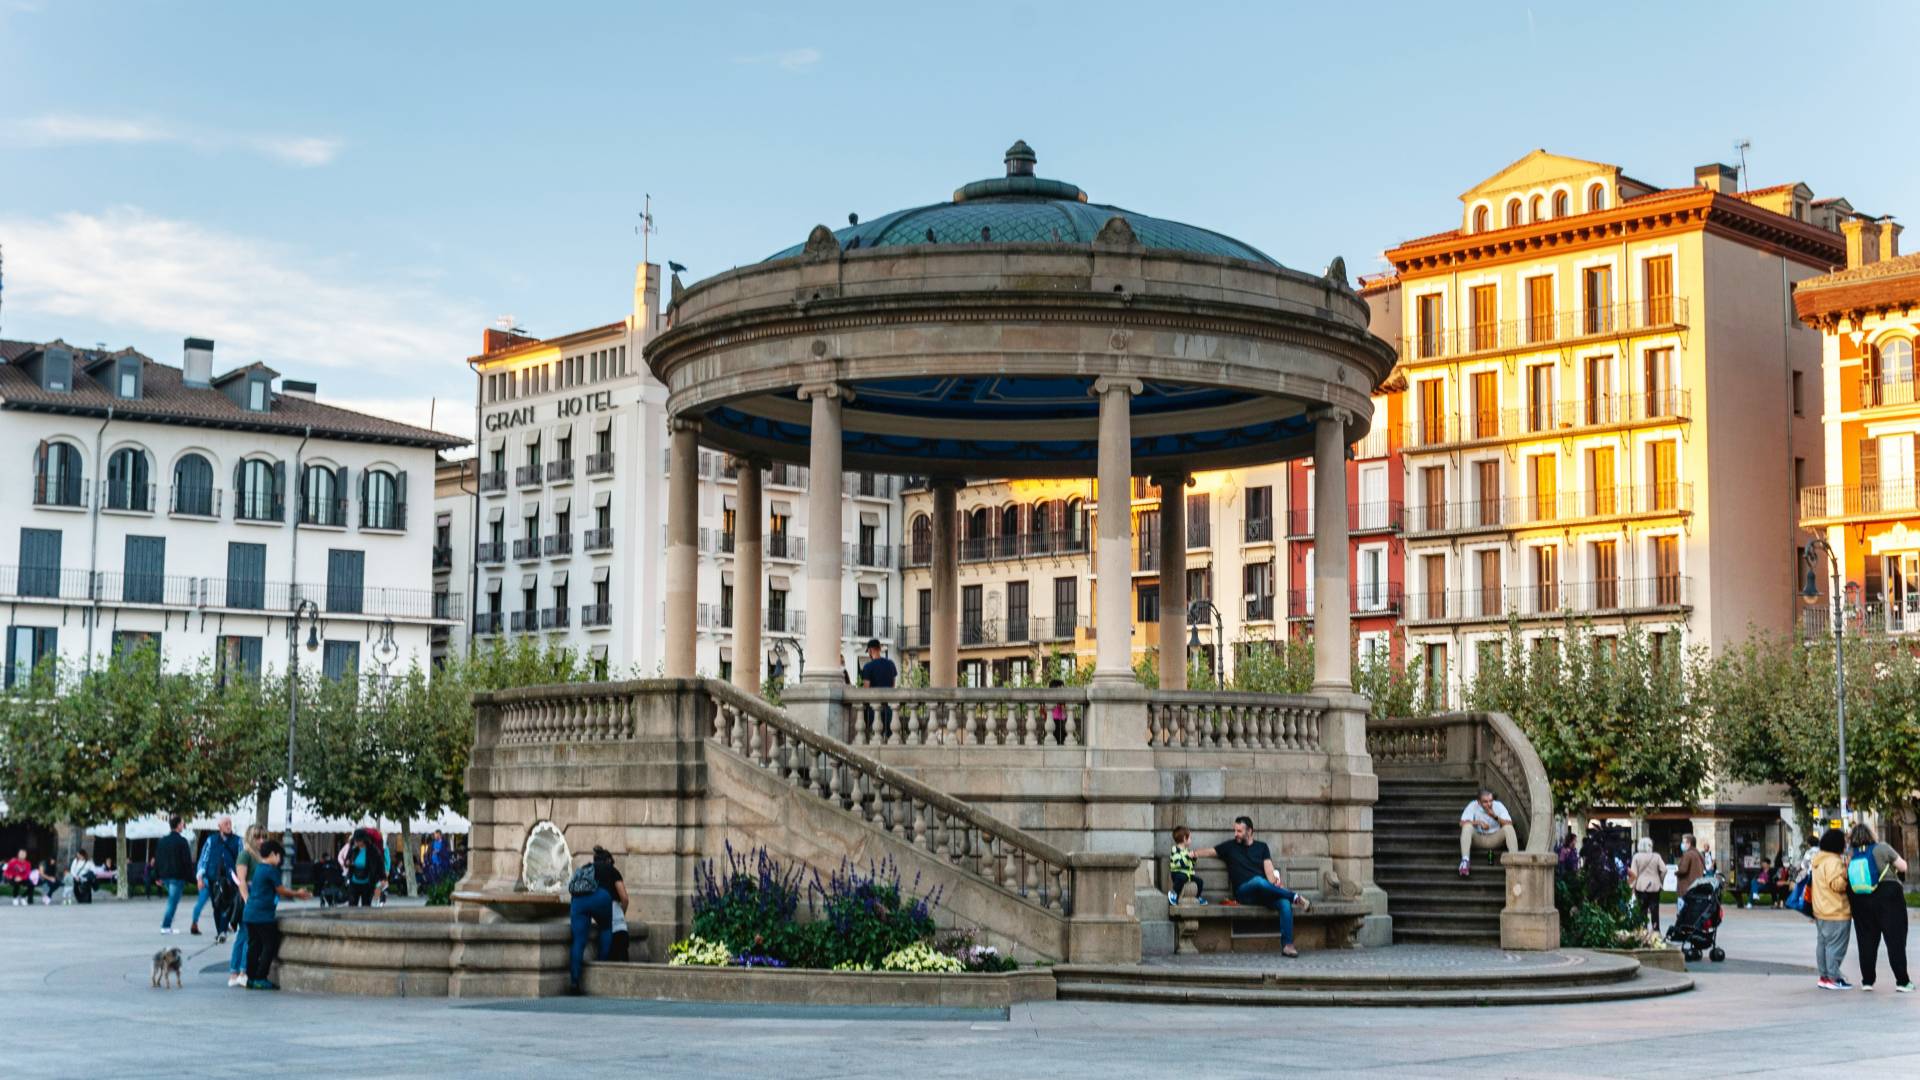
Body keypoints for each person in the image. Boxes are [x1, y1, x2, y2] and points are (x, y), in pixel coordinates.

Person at [1191, 817, 1311, 958]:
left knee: (1284, 903)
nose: (1236, 833)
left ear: (1249, 831)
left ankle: (1287, 945)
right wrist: (1194, 853)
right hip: (1244, 893)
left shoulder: (1262, 847)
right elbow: (1210, 851)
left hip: (1264, 893)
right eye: (1235, 830)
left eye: (1239, 831)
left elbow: (1269, 872)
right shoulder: (1230, 847)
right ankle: (1294, 897)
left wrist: (1276, 881)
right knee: (1258, 881)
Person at [1846, 823, 1912, 992]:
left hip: (1859, 897)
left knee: (1866, 939)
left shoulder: (1851, 853)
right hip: (1887, 894)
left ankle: (1867, 981)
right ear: (1871, 834)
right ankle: (1902, 982)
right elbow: (1903, 866)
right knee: (1895, 939)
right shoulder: (1882, 848)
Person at [241, 838, 311, 991]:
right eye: (279, 856)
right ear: (273, 854)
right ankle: (260, 978)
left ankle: (251, 978)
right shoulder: (271, 870)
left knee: (254, 946)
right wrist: (298, 893)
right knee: (269, 945)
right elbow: (281, 890)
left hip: (250, 913)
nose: (280, 861)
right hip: (262, 915)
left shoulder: (259, 868)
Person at [568, 846, 628, 993]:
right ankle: (601, 968)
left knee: (578, 941)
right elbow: (624, 897)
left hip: (578, 900)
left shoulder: (585, 868)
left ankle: (574, 981)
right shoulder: (611, 870)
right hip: (600, 897)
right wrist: (622, 912)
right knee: (606, 928)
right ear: (608, 861)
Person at [1810, 826, 1854, 990]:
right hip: (1836, 911)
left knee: (1823, 945)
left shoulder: (1818, 860)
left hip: (1821, 910)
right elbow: (1837, 885)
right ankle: (1834, 978)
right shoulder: (1833, 861)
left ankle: (1824, 976)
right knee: (1836, 947)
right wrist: (1846, 872)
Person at [227, 825, 266, 988]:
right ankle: (239, 971)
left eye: (263, 836)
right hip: (248, 897)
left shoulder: (259, 855)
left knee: (244, 935)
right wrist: (248, 900)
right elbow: (241, 881)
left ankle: (237, 972)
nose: (261, 840)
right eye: (257, 837)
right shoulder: (245, 855)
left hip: (257, 896)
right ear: (250, 838)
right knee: (246, 935)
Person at [192, 816, 240, 940]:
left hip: (230, 879)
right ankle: (220, 931)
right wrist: (200, 877)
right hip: (213, 877)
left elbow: (240, 859)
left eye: (230, 823)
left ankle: (223, 931)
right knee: (216, 905)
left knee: (226, 904)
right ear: (219, 826)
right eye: (226, 824)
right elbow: (204, 858)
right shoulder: (211, 840)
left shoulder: (237, 840)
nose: (229, 826)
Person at [1457, 787, 1517, 877]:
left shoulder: (1498, 805)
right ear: (1478, 802)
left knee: (1508, 828)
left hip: (1495, 838)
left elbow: (1510, 823)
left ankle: (1514, 860)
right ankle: (1465, 861)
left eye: (1490, 801)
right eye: (1485, 802)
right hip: (1479, 838)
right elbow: (1462, 823)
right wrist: (1478, 823)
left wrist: (1495, 816)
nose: (1489, 804)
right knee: (1467, 827)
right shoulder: (1473, 805)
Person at [154, 816, 195, 932]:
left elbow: (157, 859)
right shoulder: (182, 841)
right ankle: (166, 926)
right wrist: (192, 878)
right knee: (172, 902)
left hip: (165, 875)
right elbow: (187, 862)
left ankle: (167, 924)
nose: (183, 826)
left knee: (172, 901)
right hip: (177, 876)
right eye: (182, 824)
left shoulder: (162, 841)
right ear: (177, 825)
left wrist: (156, 875)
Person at [858, 639, 898, 739]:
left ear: (870, 651)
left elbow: (866, 688)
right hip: (889, 706)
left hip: (873, 707)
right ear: (880, 649)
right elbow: (893, 685)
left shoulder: (868, 667)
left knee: (873, 736)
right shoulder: (891, 664)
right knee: (890, 736)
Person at [1628, 837, 1668, 932]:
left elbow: (1633, 874)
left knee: (1642, 911)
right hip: (1654, 886)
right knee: (1655, 910)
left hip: (1641, 886)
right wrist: (1660, 880)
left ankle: (1643, 931)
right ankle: (1656, 931)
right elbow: (1664, 869)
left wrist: (1631, 887)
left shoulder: (1636, 857)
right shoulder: (1656, 856)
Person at [345, 829, 387, 907]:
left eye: (358, 841)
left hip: (367, 882)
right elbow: (347, 860)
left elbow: (380, 864)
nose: (356, 842)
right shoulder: (353, 849)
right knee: (352, 905)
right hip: (354, 881)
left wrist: (383, 878)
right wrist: (347, 863)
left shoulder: (373, 850)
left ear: (364, 840)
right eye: (355, 840)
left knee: (366, 905)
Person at [1167, 826, 1205, 906]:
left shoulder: (1187, 850)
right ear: (1185, 838)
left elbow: (1190, 865)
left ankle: (1197, 897)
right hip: (1177, 873)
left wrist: (1194, 859)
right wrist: (1187, 857)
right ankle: (1173, 894)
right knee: (1182, 877)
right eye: (1190, 838)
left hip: (1188, 874)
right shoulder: (1175, 850)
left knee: (1200, 881)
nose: (1191, 840)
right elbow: (1178, 863)